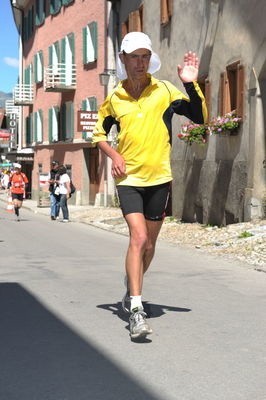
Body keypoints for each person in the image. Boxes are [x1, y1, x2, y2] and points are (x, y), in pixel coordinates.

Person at [92, 31, 208, 340]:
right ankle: (136, 309)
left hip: (160, 177)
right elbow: (98, 135)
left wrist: (189, 83)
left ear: (150, 58)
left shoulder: (165, 90)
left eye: (145, 56)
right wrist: (113, 154)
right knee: (139, 237)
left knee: (150, 244)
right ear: (123, 59)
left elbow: (198, 116)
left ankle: (132, 286)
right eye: (134, 56)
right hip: (129, 178)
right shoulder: (114, 97)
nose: (140, 62)